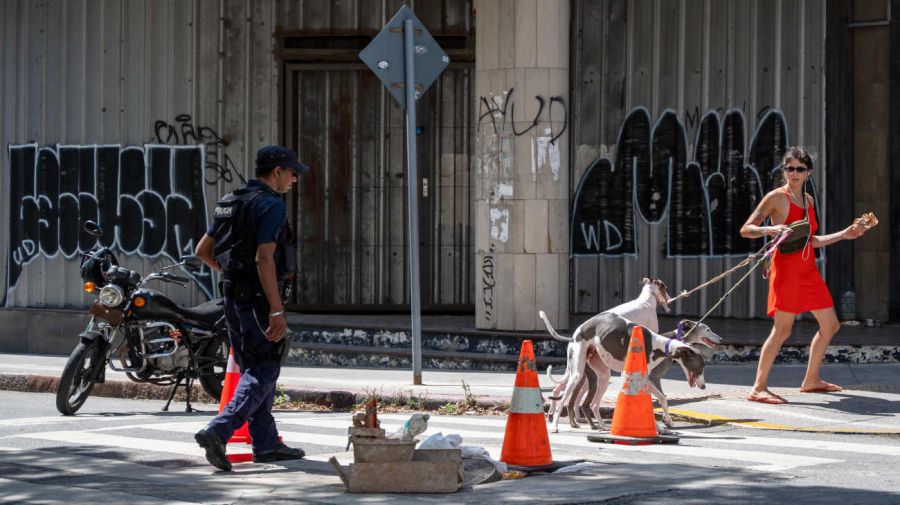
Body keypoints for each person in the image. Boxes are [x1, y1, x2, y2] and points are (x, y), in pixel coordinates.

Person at [193, 145, 308, 470]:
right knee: (265, 367)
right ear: (277, 173)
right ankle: (220, 430)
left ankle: (267, 445)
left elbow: (203, 250)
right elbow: (264, 258)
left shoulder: (230, 201)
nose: (294, 179)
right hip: (259, 299)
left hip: (232, 295)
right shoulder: (270, 205)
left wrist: (231, 272)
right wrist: (275, 309)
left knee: (252, 368)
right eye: (292, 172)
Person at [739, 147, 866, 405]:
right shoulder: (776, 197)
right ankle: (758, 387)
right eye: (789, 168)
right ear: (784, 171)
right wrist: (771, 229)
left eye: (799, 169)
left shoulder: (807, 202)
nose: (793, 173)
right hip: (786, 271)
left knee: (830, 325)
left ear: (808, 172)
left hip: (808, 271)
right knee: (782, 330)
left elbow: (811, 240)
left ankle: (811, 380)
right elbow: (746, 229)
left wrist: (844, 234)